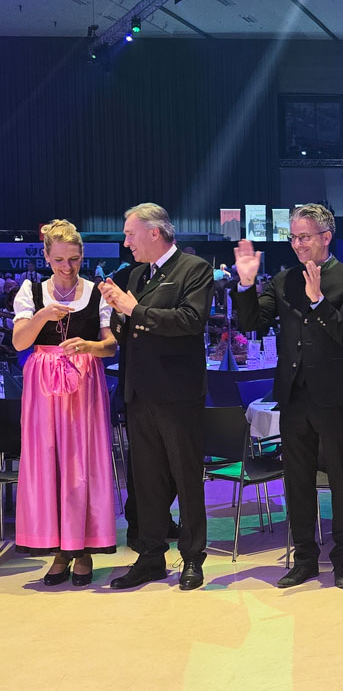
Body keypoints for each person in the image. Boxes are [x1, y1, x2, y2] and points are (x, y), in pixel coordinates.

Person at [232, 204, 343, 590]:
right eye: (292, 237)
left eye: (304, 237)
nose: (296, 244)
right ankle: (305, 557)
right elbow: (253, 323)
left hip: (335, 395)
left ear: (326, 237)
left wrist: (318, 300)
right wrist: (245, 285)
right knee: (297, 480)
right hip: (293, 395)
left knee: (340, 478)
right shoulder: (283, 279)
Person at [102, 203, 213, 590]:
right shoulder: (136, 274)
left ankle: (193, 557)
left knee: (186, 478)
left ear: (154, 232)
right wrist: (118, 310)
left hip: (178, 394)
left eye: (130, 234)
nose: (126, 242)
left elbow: (191, 321)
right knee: (146, 481)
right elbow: (125, 331)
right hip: (139, 392)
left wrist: (135, 309)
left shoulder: (193, 269)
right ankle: (150, 556)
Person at [11, 220, 117, 586]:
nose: (66, 267)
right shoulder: (31, 292)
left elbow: (111, 345)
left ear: (82, 256)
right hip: (43, 388)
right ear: (46, 257)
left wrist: (90, 346)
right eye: (58, 260)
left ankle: (83, 549)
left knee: (81, 463)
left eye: (73, 259)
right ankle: (59, 549)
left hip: (84, 385)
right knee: (48, 462)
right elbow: (20, 342)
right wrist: (42, 315)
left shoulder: (96, 293)